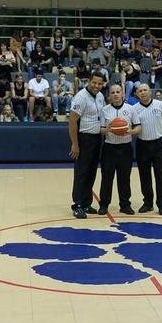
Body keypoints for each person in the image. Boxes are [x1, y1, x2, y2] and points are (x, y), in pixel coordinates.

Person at [98, 84, 141, 215]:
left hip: (125, 148)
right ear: (109, 95)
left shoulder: (131, 109)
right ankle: (104, 204)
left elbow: (138, 127)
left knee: (124, 178)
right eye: (113, 92)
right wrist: (110, 129)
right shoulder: (104, 110)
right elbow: (101, 130)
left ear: (122, 94)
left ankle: (125, 205)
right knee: (106, 178)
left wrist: (129, 132)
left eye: (118, 92)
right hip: (109, 148)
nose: (115, 94)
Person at [68, 72, 105, 219]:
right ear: (89, 81)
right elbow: (72, 121)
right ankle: (77, 205)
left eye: (99, 83)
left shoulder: (101, 96)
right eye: (94, 83)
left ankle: (86, 202)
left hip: (96, 139)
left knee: (91, 172)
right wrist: (75, 144)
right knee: (81, 173)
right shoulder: (81, 97)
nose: (97, 86)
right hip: (84, 139)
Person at [135, 83, 162, 215]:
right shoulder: (135, 108)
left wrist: (158, 133)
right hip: (142, 145)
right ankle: (148, 203)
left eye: (145, 90)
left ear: (150, 91)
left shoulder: (161, 105)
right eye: (140, 91)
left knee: (159, 175)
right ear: (137, 94)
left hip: (158, 144)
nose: (143, 92)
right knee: (144, 176)